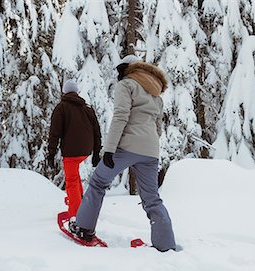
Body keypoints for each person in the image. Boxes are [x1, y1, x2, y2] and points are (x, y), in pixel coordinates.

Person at [71, 55, 177, 252]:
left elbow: (120, 116)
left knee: (98, 183)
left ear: (127, 69)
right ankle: (166, 244)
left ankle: (83, 228)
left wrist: (109, 150)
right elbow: (158, 128)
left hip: (126, 147)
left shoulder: (127, 85)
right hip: (150, 151)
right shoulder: (155, 94)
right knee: (152, 198)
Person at [48, 79, 101, 219]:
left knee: (70, 181)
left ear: (64, 92)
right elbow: (97, 131)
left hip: (71, 151)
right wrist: (96, 153)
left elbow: (54, 133)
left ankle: (77, 215)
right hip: (86, 149)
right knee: (75, 175)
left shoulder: (61, 108)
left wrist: (51, 154)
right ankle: (79, 201)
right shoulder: (87, 108)